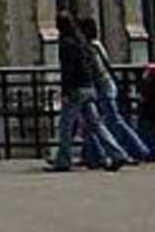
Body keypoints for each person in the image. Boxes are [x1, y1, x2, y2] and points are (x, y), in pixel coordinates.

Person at [48, 13, 124, 173]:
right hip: (88, 87)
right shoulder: (81, 41)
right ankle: (117, 153)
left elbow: (67, 69)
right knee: (96, 125)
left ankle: (63, 160)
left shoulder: (66, 43)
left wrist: (65, 89)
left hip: (75, 89)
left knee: (65, 126)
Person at [80, 16, 152, 164]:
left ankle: (139, 150)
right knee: (95, 122)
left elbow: (98, 70)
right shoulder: (96, 45)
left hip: (102, 87)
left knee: (111, 121)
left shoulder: (92, 47)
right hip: (104, 86)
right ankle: (93, 154)